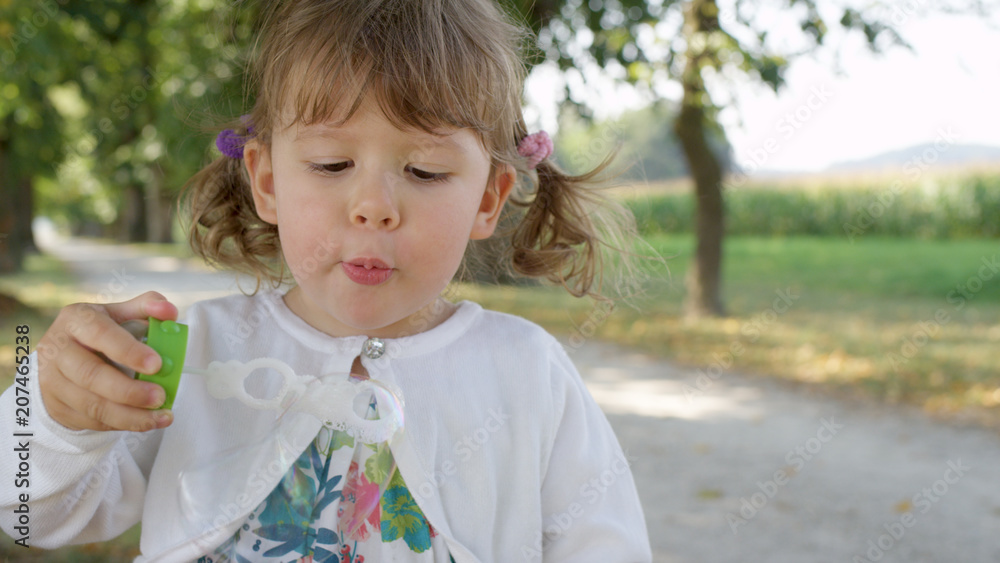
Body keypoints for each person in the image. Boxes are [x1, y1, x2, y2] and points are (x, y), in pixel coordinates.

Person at [0, 0, 653, 560]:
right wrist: (56, 414)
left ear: (489, 198)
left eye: (424, 171)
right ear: (266, 180)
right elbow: (31, 512)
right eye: (332, 162)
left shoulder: (527, 374)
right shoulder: (192, 351)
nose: (373, 205)